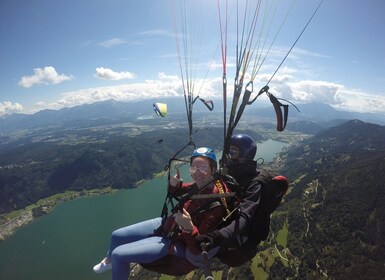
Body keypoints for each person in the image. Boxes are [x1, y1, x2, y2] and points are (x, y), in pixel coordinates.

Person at [93, 147, 229, 279]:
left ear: (214, 169)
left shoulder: (215, 206)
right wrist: (174, 184)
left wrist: (188, 227)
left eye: (203, 167)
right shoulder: (200, 185)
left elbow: (198, 249)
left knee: (118, 255)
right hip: (169, 224)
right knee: (116, 236)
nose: (197, 172)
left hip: (175, 242)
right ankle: (109, 261)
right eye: (194, 167)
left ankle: (114, 261)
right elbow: (177, 191)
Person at [196, 134, 265, 267]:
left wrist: (217, 236)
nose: (228, 155)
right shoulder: (228, 174)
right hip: (220, 227)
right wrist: (177, 188)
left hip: (234, 240)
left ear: (245, 154)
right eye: (228, 151)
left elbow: (245, 216)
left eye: (233, 151)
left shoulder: (253, 184)